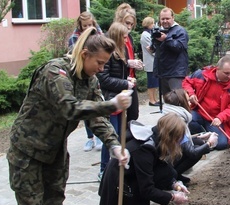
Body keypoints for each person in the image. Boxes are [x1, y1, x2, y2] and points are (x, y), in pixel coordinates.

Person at [7, 27, 132, 205]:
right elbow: (69, 108)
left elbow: (96, 118)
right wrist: (111, 104)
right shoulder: (55, 72)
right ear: (85, 54)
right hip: (27, 150)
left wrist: (114, 145)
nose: (101, 69)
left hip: (55, 149)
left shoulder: (90, 80)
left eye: (105, 64)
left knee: (55, 197)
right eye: (99, 63)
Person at [99, 113, 191, 205]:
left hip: (127, 174)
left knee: (167, 172)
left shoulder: (155, 135)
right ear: (170, 137)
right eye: (177, 140)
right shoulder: (144, 150)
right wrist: (173, 197)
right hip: (119, 184)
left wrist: (174, 183)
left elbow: (160, 167)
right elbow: (147, 189)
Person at [97, 22, 139, 182]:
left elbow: (119, 74)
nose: (126, 39)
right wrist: (124, 83)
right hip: (110, 100)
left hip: (121, 98)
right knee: (111, 135)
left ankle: (115, 167)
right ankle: (104, 169)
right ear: (115, 36)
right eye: (124, 36)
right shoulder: (107, 54)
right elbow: (104, 78)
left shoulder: (121, 51)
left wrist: (126, 79)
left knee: (120, 135)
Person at [182, 55, 230, 150]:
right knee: (188, 119)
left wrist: (220, 117)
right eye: (226, 73)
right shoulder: (201, 74)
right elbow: (187, 82)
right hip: (199, 112)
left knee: (221, 144)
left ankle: (203, 139)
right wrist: (191, 94)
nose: (229, 76)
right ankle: (203, 137)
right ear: (217, 69)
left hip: (216, 118)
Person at [163, 89, 218, 183]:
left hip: (166, 155)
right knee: (199, 148)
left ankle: (176, 174)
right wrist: (209, 143)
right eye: (188, 101)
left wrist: (200, 136)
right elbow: (192, 152)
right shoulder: (177, 122)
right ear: (181, 104)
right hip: (166, 161)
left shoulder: (169, 114)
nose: (190, 103)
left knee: (199, 142)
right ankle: (172, 176)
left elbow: (179, 140)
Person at [67, 11, 103, 151]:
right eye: (85, 25)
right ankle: (90, 138)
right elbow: (74, 58)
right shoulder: (74, 38)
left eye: (90, 24)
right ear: (80, 26)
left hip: (96, 76)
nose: (88, 27)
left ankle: (100, 136)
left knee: (97, 104)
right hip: (82, 77)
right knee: (86, 107)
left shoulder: (99, 36)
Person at [152, 7, 189, 96]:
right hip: (163, 73)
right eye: (162, 19)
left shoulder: (180, 31)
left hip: (176, 73)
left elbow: (178, 47)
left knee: (177, 99)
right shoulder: (159, 31)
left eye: (167, 18)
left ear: (173, 18)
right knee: (167, 100)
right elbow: (157, 50)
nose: (165, 21)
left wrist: (166, 38)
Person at [140, 16, 160, 106]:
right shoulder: (145, 35)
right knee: (151, 83)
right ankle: (151, 100)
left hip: (154, 62)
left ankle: (155, 99)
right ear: (148, 24)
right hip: (150, 62)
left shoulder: (150, 33)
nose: (153, 25)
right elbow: (151, 49)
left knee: (155, 83)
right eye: (152, 23)